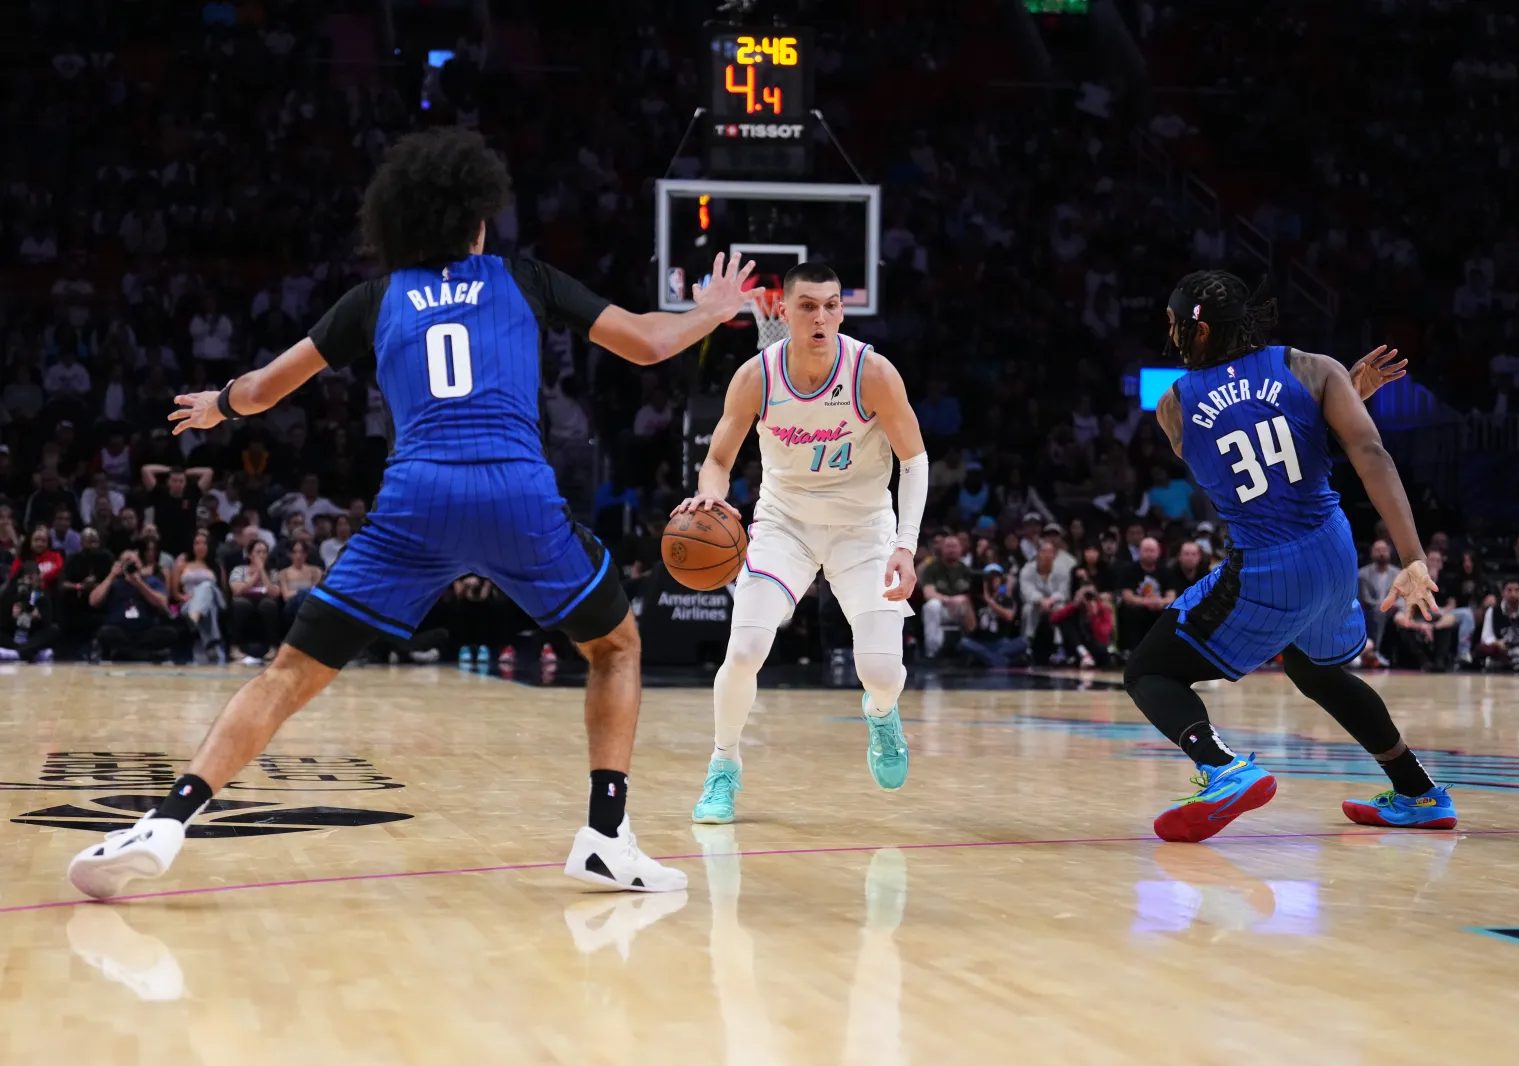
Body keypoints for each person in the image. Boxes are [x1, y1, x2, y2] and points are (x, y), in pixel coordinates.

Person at [68, 127, 756, 899]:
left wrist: (218, 404)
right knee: (617, 646)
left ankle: (166, 819)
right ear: (478, 222)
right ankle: (605, 835)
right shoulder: (523, 278)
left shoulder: (375, 298)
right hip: (515, 497)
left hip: (415, 503)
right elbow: (648, 343)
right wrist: (712, 311)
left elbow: (261, 390)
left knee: (288, 673)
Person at [1123, 270, 1452, 843]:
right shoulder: (1314, 368)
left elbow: (1243, 455)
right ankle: (1418, 791)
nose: (1170, 335)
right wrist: (1413, 556)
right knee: (1312, 667)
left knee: (1148, 671)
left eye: (1175, 325)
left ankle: (1223, 768)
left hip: (1267, 564)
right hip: (1333, 549)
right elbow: (1366, 452)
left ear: (1200, 332)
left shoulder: (1173, 407)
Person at [675, 261, 927, 824]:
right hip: (784, 525)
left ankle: (881, 714)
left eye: (831, 305)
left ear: (841, 311)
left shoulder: (872, 372)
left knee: (882, 674)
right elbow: (717, 461)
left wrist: (905, 545)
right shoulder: (756, 377)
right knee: (744, 650)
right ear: (783, 311)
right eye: (808, 306)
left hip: (863, 530)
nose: (821, 317)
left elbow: (914, 460)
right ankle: (723, 766)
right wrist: (710, 498)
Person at [89, 542, 177, 662]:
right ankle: (132, 651)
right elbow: (93, 601)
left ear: (140, 564)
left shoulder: (151, 581)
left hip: (146, 630)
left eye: (133, 562)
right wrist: (111, 575)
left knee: (169, 633)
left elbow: (162, 603)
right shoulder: (114, 583)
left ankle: (128, 651)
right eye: (126, 562)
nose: (129, 565)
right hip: (120, 630)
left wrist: (139, 583)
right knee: (104, 632)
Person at [170, 530, 226, 664]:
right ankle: (211, 643)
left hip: (214, 600)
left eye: (204, 543)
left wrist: (205, 594)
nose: (201, 546)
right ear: (192, 546)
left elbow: (223, 591)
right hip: (188, 603)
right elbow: (175, 592)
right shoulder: (182, 565)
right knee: (209, 609)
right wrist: (183, 598)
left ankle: (196, 615)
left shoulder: (216, 566)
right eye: (197, 543)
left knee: (207, 586)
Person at [958, 563, 1029, 667]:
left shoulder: (1005, 598)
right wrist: (968, 603)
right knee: (964, 642)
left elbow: (1009, 617)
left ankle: (989, 659)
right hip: (980, 642)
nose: (993, 581)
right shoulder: (973, 599)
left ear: (1001, 580)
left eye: (996, 578)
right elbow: (971, 628)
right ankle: (998, 659)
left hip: (1000, 642)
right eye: (990, 579)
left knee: (1024, 641)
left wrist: (989, 601)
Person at [1116, 537, 1174, 653]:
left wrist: (1160, 602)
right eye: (1146, 550)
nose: (1149, 554)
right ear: (1140, 552)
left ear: (1158, 552)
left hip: (1158, 609)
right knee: (1129, 611)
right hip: (1137, 610)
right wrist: (1146, 602)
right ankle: (1129, 651)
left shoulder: (1166, 571)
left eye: (1152, 550)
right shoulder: (1128, 569)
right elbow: (1127, 596)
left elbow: (1171, 597)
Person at [1019, 538, 1073, 663]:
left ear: (1054, 555)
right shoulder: (1027, 569)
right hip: (1036, 604)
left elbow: (1064, 592)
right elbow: (1027, 591)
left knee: (1061, 609)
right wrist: (1040, 600)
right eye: (1044, 551)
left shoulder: (1062, 570)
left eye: (1050, 552)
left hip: (1054, 603)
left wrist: (1051, 600)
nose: (1047, 555)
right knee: (1028, 609)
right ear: (1038, 553)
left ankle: (1060, 647)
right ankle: (1027, 645)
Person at [228, 538, 281, 664]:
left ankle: (273, 647)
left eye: (264, 552)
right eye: (258, 552)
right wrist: (256, 574)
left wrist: (262, 571)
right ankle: (235, 647)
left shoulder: (272, 572)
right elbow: (237, 590)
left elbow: (275, 592)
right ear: (250, 555)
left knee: (269, 605)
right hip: (244, 598)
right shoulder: (239, 569)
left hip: (265, 599)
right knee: (241, 604)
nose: (262, 555)